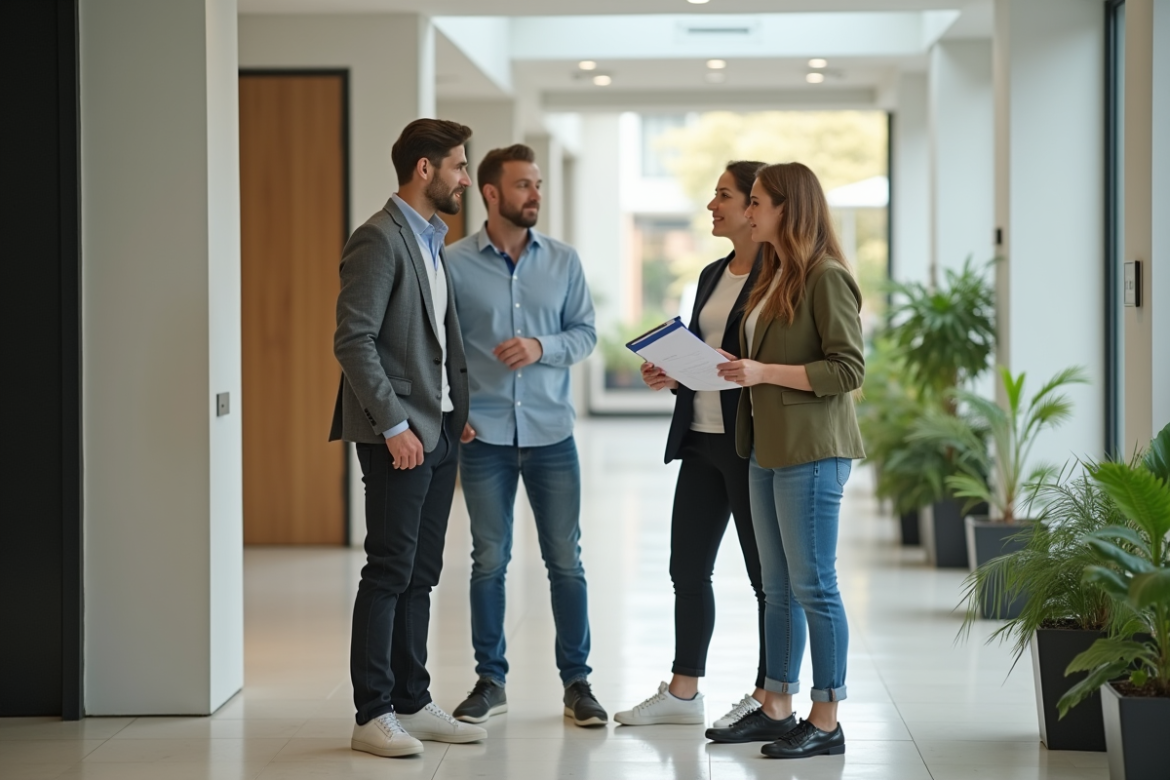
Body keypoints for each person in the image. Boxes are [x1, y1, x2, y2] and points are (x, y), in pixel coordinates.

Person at [331, 118, 488, 758]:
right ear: (424, 169)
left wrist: (455, 410)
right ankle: (372, 713)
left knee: (421, 571)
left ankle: (413, 701)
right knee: (389, 570)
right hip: (399, 436)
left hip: (440, 430)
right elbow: (354, 339)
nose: (464, 177)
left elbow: (435, 339)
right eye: (457, 165)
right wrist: (395, 424)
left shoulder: (431, 240)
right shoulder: (379, 238)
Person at [444, 145, 605, 727]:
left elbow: (586, 334)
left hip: (550, 435)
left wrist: (543, 347)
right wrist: (449, 410)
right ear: (490, 193)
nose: (535, 194)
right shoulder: (454, 264)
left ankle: (578, 684)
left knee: (566, 560)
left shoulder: (563, 262)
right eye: (523, 185)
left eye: (537, 184)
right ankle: (491, 679)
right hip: (481, 435)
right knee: (488, 559)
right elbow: (442, 350)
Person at [708, 162, 865, 758]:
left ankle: (826, 720)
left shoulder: (827, 277)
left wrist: (762, 372)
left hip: (812, 452)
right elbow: (759, 355)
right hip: (765, 448)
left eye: (757, 203)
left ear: (786, 209)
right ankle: (776, 705)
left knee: (814, 585)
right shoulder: (776, 275)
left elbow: (848, 369)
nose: (749, 212)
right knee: (776, 587)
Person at [613, 161, 769, 730]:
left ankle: (767, 695)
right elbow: (706, 353)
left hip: (751, 444)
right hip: (702, 438)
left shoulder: (780, 277)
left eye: (723, 195)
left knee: (765, 578)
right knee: (687, 567)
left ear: (755, 208)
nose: (712, 205)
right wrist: (672, 373)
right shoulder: (710, 274)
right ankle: (684, 691)